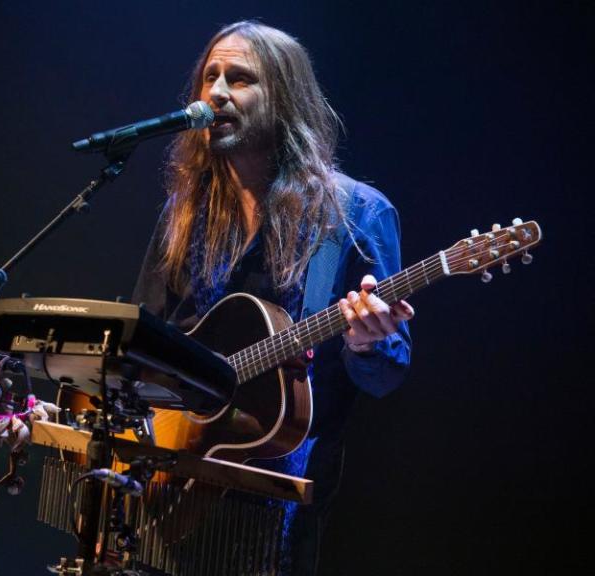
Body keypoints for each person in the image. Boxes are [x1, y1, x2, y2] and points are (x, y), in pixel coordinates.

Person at [131, 21, 414, 575]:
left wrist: (365, 345)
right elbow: (146, 336)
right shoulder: (186, 213)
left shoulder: (354, 215)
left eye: (239, 79)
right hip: (175, 479)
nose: (215, 93)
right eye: (209, 77)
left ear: (283, 100)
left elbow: (388, 373)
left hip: (278, 502)